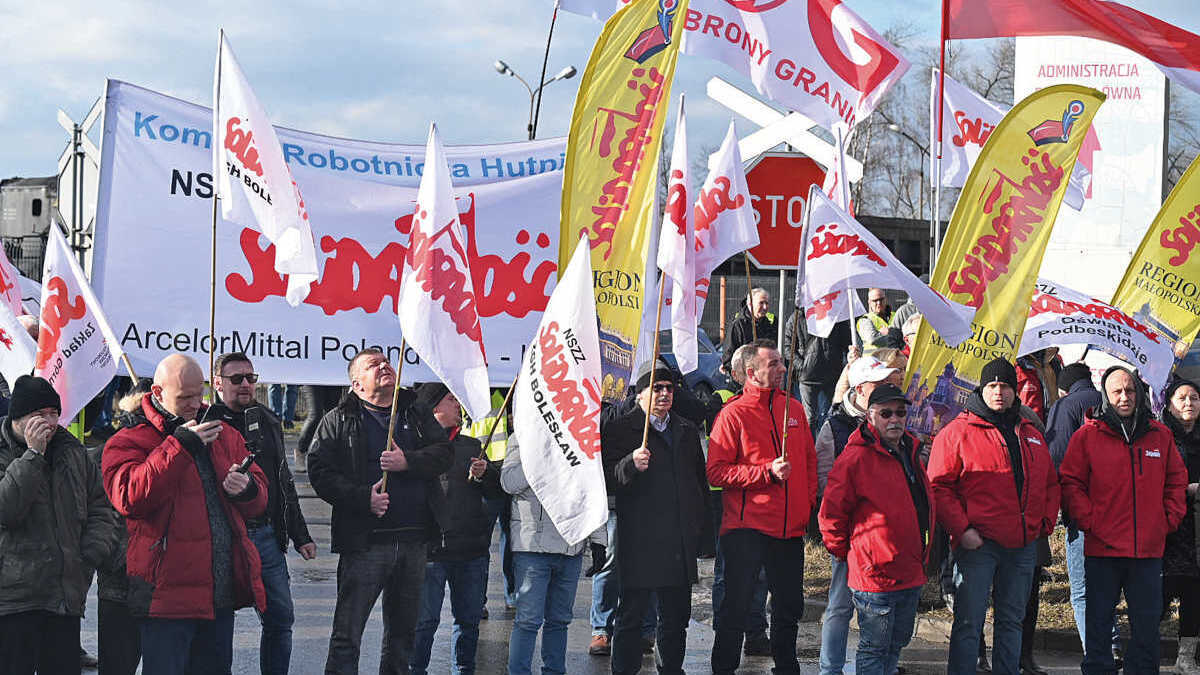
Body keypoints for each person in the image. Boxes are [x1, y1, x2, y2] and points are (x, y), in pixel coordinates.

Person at [101, 354, 269, 674]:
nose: (195, 404)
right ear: (158, 392)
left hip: (219, 594)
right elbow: (129, 498)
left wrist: (247, 489)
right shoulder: (129, 439)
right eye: (184, 397)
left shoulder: (222, 432)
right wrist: (179, 447)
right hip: (166, 598)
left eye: (199, 394)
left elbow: (260, 498)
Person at [307, 348, 453, 674]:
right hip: (365, 544)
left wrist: (407, 461)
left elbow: (444, 453)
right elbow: (320, 473)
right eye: (374, 365)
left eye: (386, 361)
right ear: (357, 384)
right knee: (347, 636)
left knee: (402, 637)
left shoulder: (415, 411)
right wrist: (363, 499)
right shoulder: (338, 419)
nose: (385, 366)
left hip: (414, 541)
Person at [927, 357, 1060, 675]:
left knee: (1012, 621)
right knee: (969, 622)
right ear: (982, 389)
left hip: (1022, 545)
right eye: (992, 386)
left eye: (1005, 386)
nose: (999, 392)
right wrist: (962, 530)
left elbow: (1049, 482)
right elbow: (939, 487)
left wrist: (1043, 523)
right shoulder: (957, 432)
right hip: (978, 545)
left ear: (1015, 390)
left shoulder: (1030, 432)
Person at [1061, 366, 1188, 674]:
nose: (1124, 397)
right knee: (1098, 624)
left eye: (1130, 391)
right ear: (1106, 395)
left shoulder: (1160, 435)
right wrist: (1089, 520)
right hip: (1102, 549)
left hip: (1147, 551)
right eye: (1117, 392)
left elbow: (1176, 480)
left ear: (1139, 394)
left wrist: (1166, 520)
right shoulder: (1087, 436)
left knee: (1146, 626)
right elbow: (1071, 482)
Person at [707, 338, 817, 675]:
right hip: (747, 530)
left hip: (789, 530)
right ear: (752, 373)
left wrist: (807, 504)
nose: (783, 368)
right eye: (774, 364)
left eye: (782, 362)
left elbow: (809, 463)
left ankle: (786, 667)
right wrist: (765, 473)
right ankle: (723, 668)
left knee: (789, 607)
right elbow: (716, 472)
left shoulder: (794, 408)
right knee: (736, 607)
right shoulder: (733, 414)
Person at [0, 375, 117, 674]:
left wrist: (89, 555)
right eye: (40, 415)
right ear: (18, 417)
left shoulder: (71, 450)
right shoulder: (6, 451)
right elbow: (6, 510)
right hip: (13, 601)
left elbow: (100, 506)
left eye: (54, 413)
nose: (50, 422)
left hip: (64, 598)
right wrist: (33, 455)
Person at [209, 352, 317, 675]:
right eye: (236, 379)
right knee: (218, 626)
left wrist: (301, 535)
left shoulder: (268, 419)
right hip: (222, 538)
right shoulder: (205, 422)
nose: (246, 384)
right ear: (217, 384)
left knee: (281, 620)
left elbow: (284, 481)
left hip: (265, 535)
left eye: (251, 378)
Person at [601, 361, 709, 674]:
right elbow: (606, 478)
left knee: (675, 619)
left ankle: (671, 669)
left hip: (678, 540)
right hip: (640, 539)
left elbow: (698, 484)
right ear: (639, 394)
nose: (664, 394)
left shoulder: (685, 430)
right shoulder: (622, 428)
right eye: (656, 388)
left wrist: (703, 534)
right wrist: (630, 464)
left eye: (669, 388)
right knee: (631, 617)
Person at [820, 383, 934, 675]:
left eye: (900, 412)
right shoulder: (855, 458)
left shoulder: (911, 450)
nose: (894, 419)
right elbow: (831, 514)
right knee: (874, 649)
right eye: (886, 413)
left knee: (896, 644)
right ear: (870, 416)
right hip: (875, 575)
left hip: (909, 569)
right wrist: (850, 554)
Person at [814, 355, 902, 675]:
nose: (888, 388)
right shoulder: (835, 426)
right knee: (840, 605)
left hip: (885, 539)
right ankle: (830, 669)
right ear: (861, 389)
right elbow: (824, 483)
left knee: (885, 610)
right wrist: (842, 536)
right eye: (880, 384)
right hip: (852, 536)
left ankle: (882, 665)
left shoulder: (893, 423)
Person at [410, 383, 503, 675]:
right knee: (424, 623)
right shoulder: (415, 448)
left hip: (470, 552)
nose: (458, 406)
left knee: (468, 622)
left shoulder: (472, 446)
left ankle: (463, 669)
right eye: (451, 400)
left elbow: (496, 492)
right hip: (430, 552)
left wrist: (486, 473)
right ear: (434, 407)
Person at [502, 432, 606, 675]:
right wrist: (542, 456)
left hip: (571, 546)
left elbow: (592, 491)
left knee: (559, 621)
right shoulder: (524, 434)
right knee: (528, 621)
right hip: (532, 548)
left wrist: (599, 541)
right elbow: (508, 482)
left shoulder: (580, 435)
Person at [707, 346, 772, 658]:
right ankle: (726, 630)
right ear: (740, 373)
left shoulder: (774, 407)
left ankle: (756, 632)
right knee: (727, 574)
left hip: (762, 507)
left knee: (760, 575)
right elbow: (718, 466)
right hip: (728, 502)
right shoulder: (727, 404)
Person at [94, 378, 154, 675]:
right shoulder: (114, 446)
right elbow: (97, 514)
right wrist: (109, 555)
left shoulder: (180, 442)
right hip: (120, 580)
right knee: (118, 664)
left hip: (162, 583)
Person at [1160, 378, 1200, 674]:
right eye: (1182, 398)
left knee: (1194, 595)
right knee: (1159, 594)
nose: (1189, 403)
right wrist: (1185, 490)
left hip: (1197, 530)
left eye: (1194, 398)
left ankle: (1186, 658)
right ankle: (1143, 652)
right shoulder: (1160, 436)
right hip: (1168, 527)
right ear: (1170, 404)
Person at [783, 307, 852, 437]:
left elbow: (847, 344)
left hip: (832, 376)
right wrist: (802, 366)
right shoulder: (797, 317)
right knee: (809, 419)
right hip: (807, 378)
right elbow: (788, 348)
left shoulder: (836, 315)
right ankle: (809, 448)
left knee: (831, 417)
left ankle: (828, 447)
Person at [721, 288, 774, 374]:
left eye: (767, 303)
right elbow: (728, 356)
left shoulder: (769, 324)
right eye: (761, 303)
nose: (765, 307)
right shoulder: (738, 325)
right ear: (750, 304)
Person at [296, 384, 344, 472]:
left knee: (332, 416)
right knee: (315, 416)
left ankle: (328, 455)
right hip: (312, 380)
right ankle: (301, 451)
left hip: (333, 380)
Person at [856, 288, 892, 354]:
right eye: (875, 300)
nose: (879, 303)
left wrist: (884, 333)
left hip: (893, 358)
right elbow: (873, 339)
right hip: (873, 359)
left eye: (881, 299)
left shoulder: (896, 315)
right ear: (869, 302)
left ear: (885, 299)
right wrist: (892, 333)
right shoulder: (865, 320)